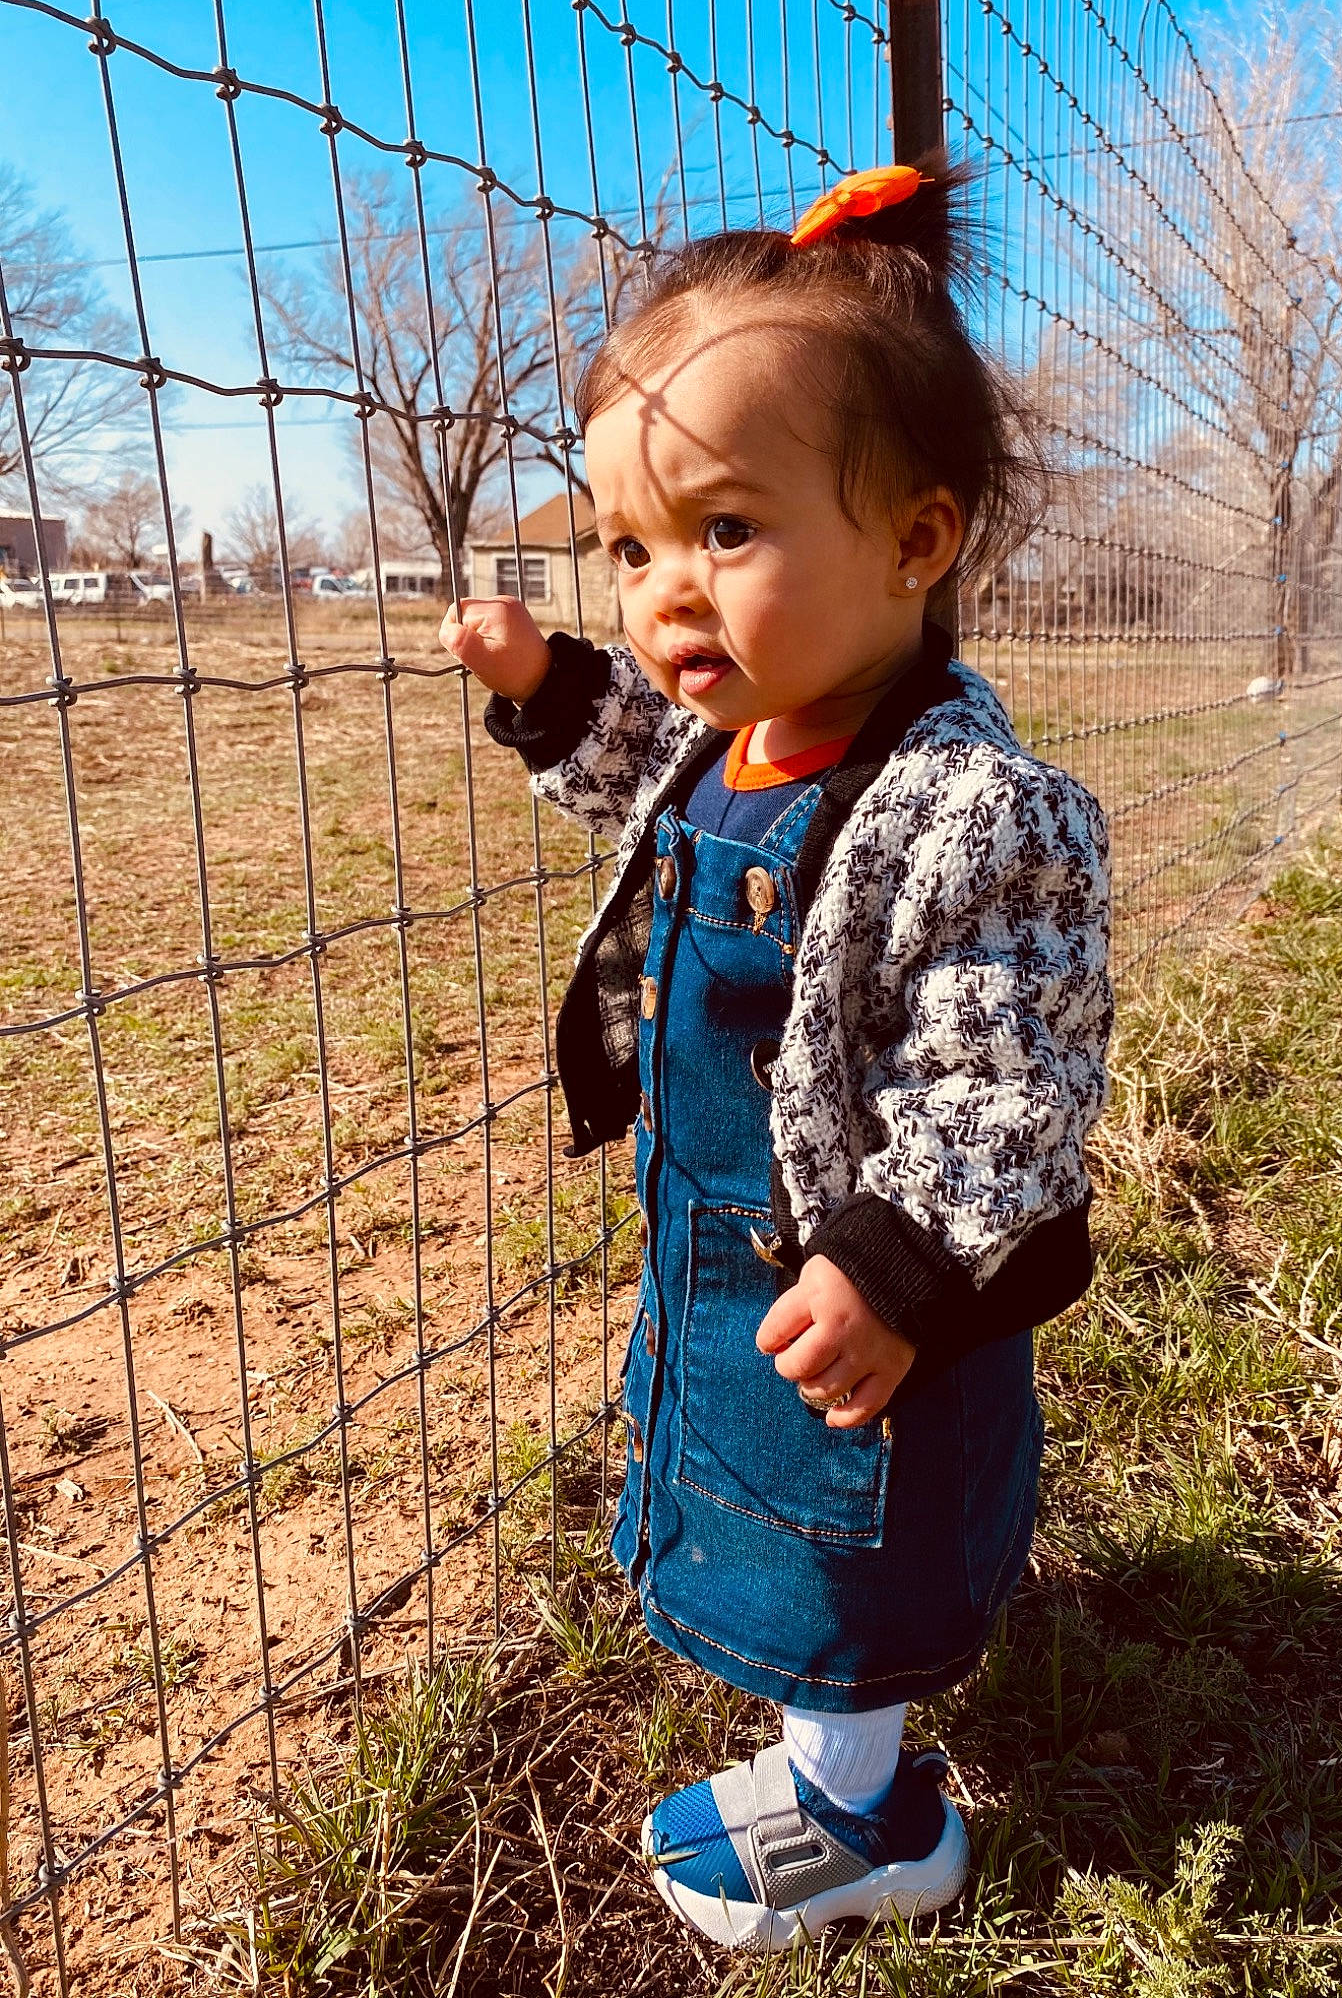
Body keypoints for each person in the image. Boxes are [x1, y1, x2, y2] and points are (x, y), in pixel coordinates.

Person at [439, 158, 1113, 1952]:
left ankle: (872, 1821)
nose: (667, 596)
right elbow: (629, 774)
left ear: (917, 540)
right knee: (759, 1508)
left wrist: (894, 1266)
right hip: (726, 1248)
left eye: (725, 532)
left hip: (865, 1283)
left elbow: (1008, 1085)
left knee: (842, 1546)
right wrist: (544, 683)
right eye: (632, 548)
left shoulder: (975, 807)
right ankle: (826, 1763)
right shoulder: (735, 734)